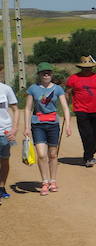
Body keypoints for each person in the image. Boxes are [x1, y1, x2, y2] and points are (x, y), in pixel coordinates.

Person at [24, 62, 71, 195]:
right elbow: (27, 109)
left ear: (52, 74)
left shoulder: (58, 89)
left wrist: (68, 124)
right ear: (39, 74)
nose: (46, 75)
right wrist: (27, 127)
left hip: (53, 125)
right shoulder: (33, 89)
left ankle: (53, 180)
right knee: (41, 154)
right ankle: (44, 182)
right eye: (43, 73)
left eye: (48, 72)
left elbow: (65, 107)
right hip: (37, 124)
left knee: (53, 154)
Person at [65, 55, 96, 167]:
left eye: (89, 67)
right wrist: (66, 107)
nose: (87, 69)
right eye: (85, 68)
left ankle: (90, 154)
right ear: (81, 68)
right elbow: (67, 93)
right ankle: (88, 157)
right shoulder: (73, 78)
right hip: (81, 110)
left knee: (95, 135)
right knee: (87, 134)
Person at [0, 78, 19, 199]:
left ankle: (1, 187)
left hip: (5, 132)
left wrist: (15, 129)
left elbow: (16, 109)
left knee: (4, 160)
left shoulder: (6, 89)